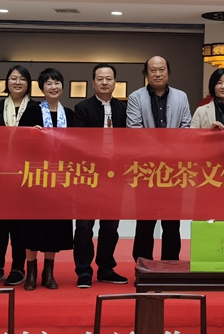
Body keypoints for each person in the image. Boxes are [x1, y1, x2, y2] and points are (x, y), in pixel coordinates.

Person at [0, 65, 41, 286]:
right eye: (13, 78)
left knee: (20, 224)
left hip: (26, 175)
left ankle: (18, 267)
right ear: (7, 82)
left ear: (28, 84)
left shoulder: (36, 108)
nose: (17, 82)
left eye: (22, 79)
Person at [127, 56, 192, 262]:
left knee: (172, 221)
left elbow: (186, 128)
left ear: (168, 72)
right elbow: (135, 131)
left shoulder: (181, 97)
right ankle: (142, 264)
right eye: (153, 70)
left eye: (161, 69)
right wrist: (164, 150)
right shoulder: (135, 97)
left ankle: (170, 264)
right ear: (146, 74)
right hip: (146, 169)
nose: (157, 74)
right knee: (145, 220)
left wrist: (168, 152)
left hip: (174, 170)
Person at [72, 63, 129, 287]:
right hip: (89, 176)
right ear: (93, 82)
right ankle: (83, 271)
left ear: (115, 82)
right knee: (84, 226)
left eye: (109, 78)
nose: (105, 82)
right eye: (100, 79)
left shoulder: (123, 108)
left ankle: (106, 268)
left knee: (111, 227)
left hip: (115, 177)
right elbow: (79, 142)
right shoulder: (82, 108)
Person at [22, 68, 75, 291]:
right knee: (32, 224)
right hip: (35, 178)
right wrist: (29, 134)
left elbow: (78, 146)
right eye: (49, 83)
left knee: (55, 225)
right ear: (42, 88)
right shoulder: (32, 112)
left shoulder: (69, 114)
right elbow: (18, 141)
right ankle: (31, 271)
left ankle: (49, 272)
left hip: (60, 178)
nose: (53, 87)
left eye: (57, 83)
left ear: (62, 86)